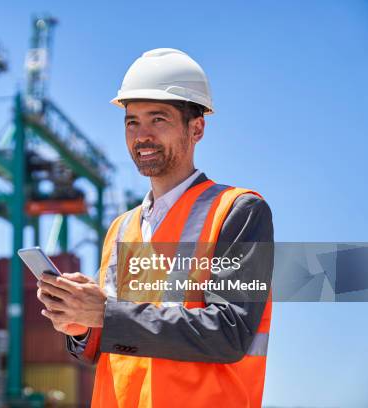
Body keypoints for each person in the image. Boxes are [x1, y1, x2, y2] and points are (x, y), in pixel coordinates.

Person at [36, 48, 274, 407]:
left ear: (196, 128)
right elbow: (117, 341)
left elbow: (230, 333)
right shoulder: (121, 228)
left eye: (157, 119)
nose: (141, 135)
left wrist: (105, 313)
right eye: (132, 121)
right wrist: (81, 324)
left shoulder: (239, 212)